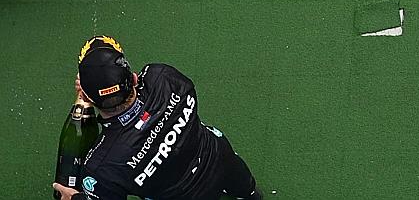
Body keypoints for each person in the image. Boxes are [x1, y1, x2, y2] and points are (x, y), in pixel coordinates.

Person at [54, 36, 264, 200]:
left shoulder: (102, 166)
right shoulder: (163, 77)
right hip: (219, 157)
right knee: (245, 186)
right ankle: (250, 194)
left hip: (180, 197)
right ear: (134, 78)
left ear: (86, 98)